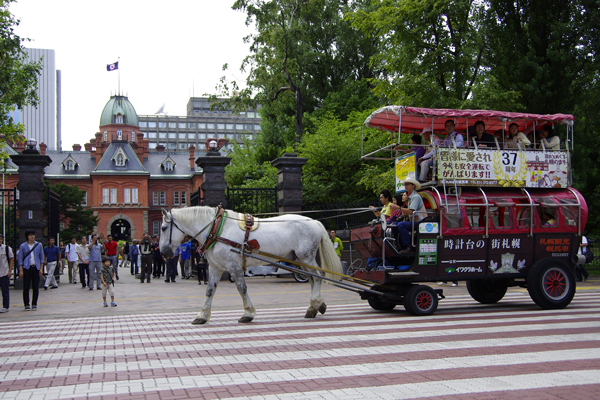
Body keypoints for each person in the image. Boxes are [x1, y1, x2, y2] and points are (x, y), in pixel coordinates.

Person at [395, 178, 427, 253]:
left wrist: (398, 208)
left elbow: (411, 211)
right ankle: (399, 245)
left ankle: (409, 246)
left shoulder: (416, 197)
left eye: (408, 184)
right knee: (395, 225)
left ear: (413, 186)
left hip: (421, 222)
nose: (406, 186)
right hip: (415, 221)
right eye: (405, 184)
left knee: (401, 225)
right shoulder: (410, 198)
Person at [17, 230, 44, 311]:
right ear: (27, 237)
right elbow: (20, 258)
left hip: (36, 268)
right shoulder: (23, 246)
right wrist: (21, 270)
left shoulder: (38, 245)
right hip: (27, 268)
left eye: (33, 235)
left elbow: (41, 258)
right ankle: (26, 304)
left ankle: (34, 303)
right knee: (26, 287)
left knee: (35, 287)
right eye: (30, 235)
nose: (32, 237)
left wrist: (41, 269)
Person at [0, 234, 14, 313]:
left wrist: (9, 271)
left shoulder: (6, 248)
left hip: (4, 272)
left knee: (5, 291)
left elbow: (11, 259)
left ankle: (5, 306)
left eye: (1, 239)